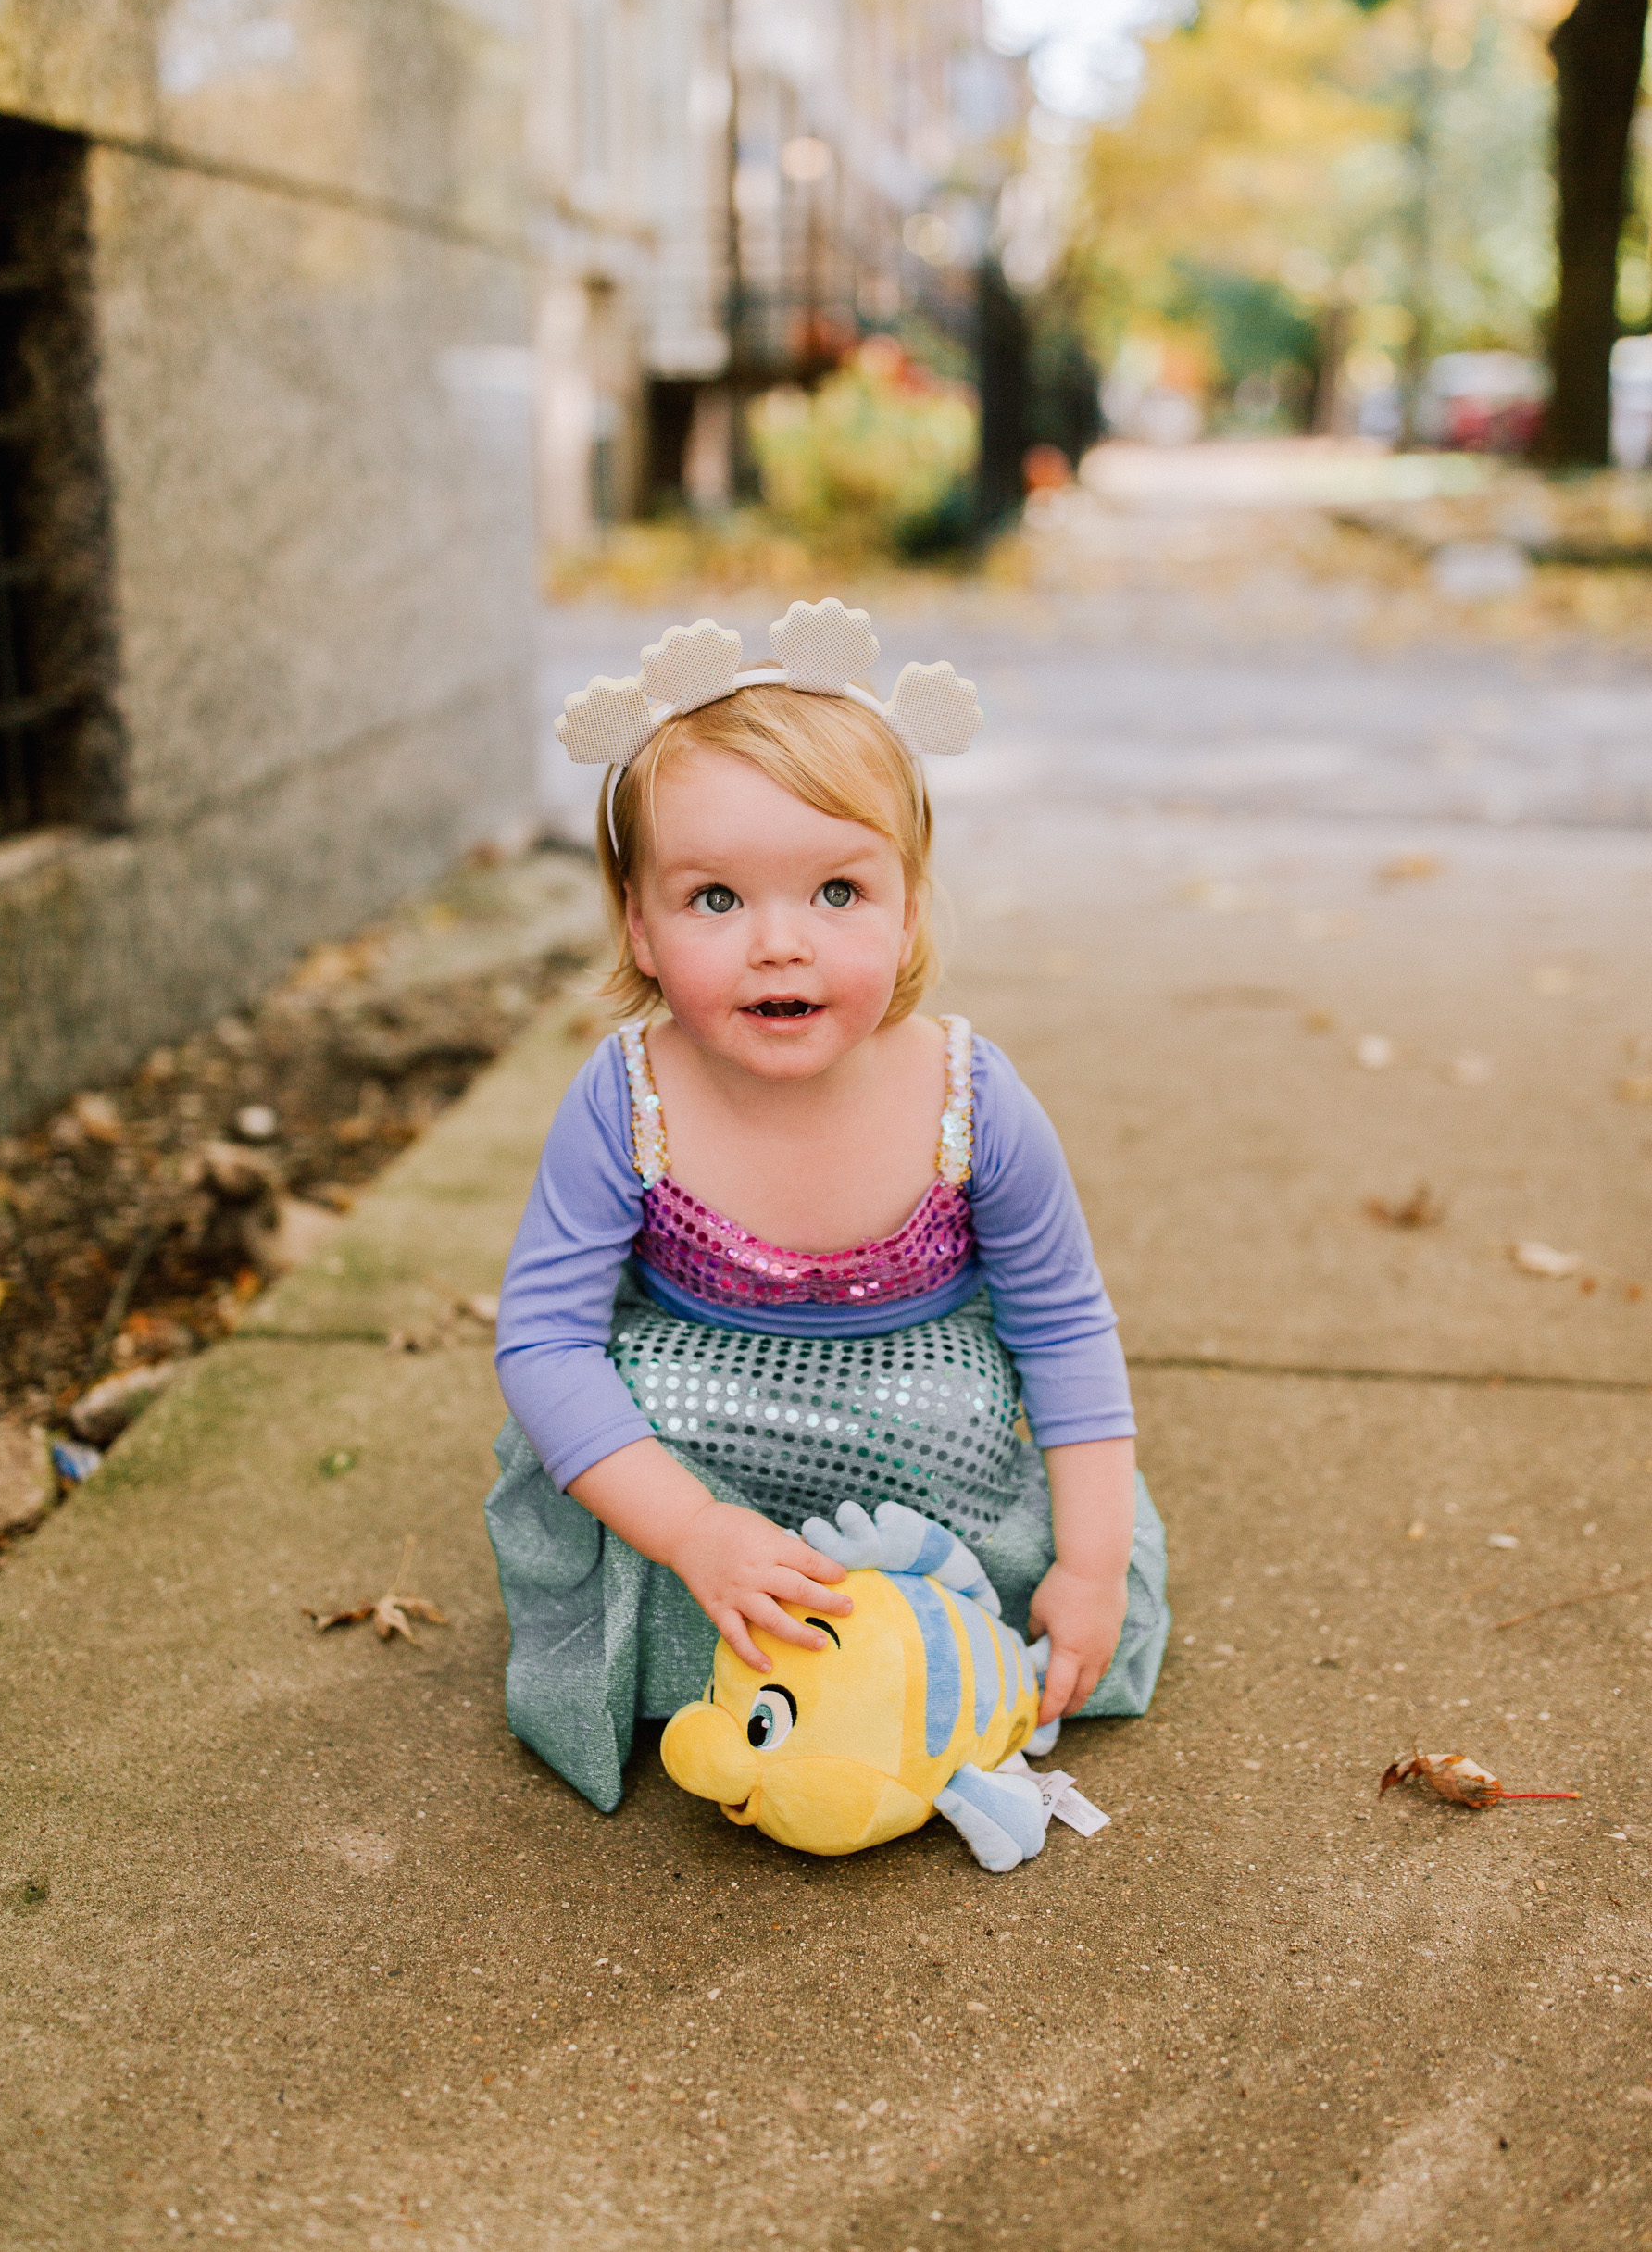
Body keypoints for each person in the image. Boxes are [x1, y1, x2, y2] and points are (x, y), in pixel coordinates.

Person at [487, 601, 1168, 1813]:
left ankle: (925, 1661)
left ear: (908, 904)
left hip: (920, 1450)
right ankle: (718, 1627)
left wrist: (1093, 1564)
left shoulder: (974, 1099)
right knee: (610, 1414)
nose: (779, 945)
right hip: (701, 1436)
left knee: (971, 1412)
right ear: (638, 924)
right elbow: (544, 1339)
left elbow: (1064, 1330)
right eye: (715, 901)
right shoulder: (626, 1098)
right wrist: (691, 1530)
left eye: (837, 891)